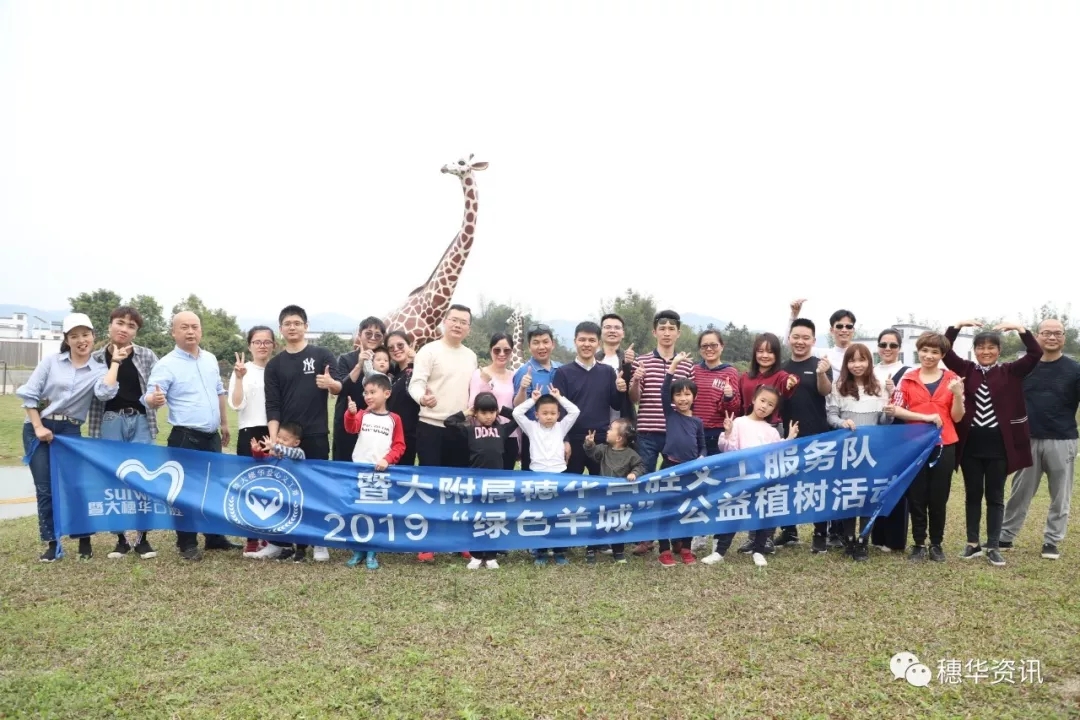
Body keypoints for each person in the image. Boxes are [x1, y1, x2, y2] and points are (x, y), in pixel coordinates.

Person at [942, 321, 1042, 567]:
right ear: (974, 350)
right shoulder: (965, 369)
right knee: (973, 494)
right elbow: (944, 351)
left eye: (991, 347)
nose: (985, 352)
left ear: (999, 350)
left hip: (999, 445)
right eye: (981, 347)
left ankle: (993, 545)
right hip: (971, 444)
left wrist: (1021, 330)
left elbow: (1035, 353)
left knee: (995, 496)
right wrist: (956, 327)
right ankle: (972, 543)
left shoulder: (1011, 371)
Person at [143, 311, 236, 561]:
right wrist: (154, 399)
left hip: (212, 436)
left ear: (201, 330)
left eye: (195, 326)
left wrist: (224, 423)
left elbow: (219, 391)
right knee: (185, 492)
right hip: (185, 437)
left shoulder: (210, 359)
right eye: (184, 327)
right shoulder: (166, 364)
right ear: (174, 332)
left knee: (214, 488)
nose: (190, 331)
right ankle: (187, 543)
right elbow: (149, 396)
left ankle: (215, 537)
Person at [252, 305, 341, 563]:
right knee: (286, 490)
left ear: (306, 326)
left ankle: (319, 542)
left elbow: (338, 387)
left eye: (297, 323)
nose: (292, 327)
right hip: (286, 439)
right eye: (287, 323)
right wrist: (274, 440)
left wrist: (331, 384)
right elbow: (272, 405)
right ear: (281, 328)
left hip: (316, 434)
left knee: (317, 489)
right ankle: (283, 542)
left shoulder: (322, 354)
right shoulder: (275, 365)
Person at [17, 313, 107, 562]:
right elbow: (30, 395)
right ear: (66, 340)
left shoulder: (100, 369)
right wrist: (38, 427)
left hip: (70, 431)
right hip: (39, 427)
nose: (81, 340)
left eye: (85, 334)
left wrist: (116, 364)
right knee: (45, 488)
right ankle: (52, 542)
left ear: (93, 336)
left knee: (76, 486)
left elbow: (106, 393)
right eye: (74, 336)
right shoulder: (51, 362)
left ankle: (84, 540)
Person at [1000, 318, 1080, 561]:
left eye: (1058, 333)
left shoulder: (1075, 369)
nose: (1052, 337)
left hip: (1062, 439)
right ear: (1037, 335)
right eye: (1046, 333)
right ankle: (1005, 536)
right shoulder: (1023, 367)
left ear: (1064, 337)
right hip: (1028, 439)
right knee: (1020, 491)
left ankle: (1052, 540)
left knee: (1060, 495)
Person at [885, 331, 965, 563]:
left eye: (935, 352)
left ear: (942, 355)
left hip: (944, 443)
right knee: (917, 495)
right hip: (915, 444)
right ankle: (919, 543)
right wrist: (926, 417)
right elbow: (895, 409)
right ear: (918, 351)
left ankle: (936, 544)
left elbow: (957, 417)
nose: (929, 356)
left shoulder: (952, 379)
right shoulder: (908, 378)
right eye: (925, 350)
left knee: (939, 496)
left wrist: (957, 396)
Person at [89, 306, 162, 560]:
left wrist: (156, 398)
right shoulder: (96, 358)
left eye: (131, 326)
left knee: (143, 478)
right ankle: (120, 539)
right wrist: (115, 362)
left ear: (136, 332)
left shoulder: (146, 355)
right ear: (110, 325)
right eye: (120, 323)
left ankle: (142, 538)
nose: (124, 329)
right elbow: (103, 394)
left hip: (141, 420)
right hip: (109, 420)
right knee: (113, 479)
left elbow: (156, 388)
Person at [702, 386, 799, 568]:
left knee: (762, 514)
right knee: (734, 514)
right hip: (740, 480)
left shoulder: (771, 431)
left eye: (770, 404)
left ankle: (759, 550)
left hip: (761, 481)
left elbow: (776, 453)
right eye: (762, 401)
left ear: (774, 409)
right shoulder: (739, 422)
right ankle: (720, 551)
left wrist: (789, 439)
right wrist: (728, 432)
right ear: (754, 399)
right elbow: (728, 449)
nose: (764, 406)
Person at [627, 310, 695, 557]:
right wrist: (636, 380)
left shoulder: (687, 364)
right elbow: (634, 398)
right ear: (654, 332)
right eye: (662, 328)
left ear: (678, 333)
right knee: (645, 484)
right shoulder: (642, 361)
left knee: (675, 486)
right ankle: (645, 538)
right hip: (647, 432)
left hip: (676, 435)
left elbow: (691, 400)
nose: (667, 333)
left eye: (671, 329)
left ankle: (676, 536)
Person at [826, 343, 893, 562]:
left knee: (868, 496)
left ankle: (863, 541)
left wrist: (890, 412)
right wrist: (842, 423)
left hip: (871, 452)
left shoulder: (880, 386)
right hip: (846, 451)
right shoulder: (838, 387)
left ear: (869, 362)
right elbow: (831, 416)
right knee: (849, 495)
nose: (857, 365)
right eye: (852, 360)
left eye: (862, 360)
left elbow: (884, 422)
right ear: (846, 364)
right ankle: (849, 539)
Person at [778, 318, 834, 551]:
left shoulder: (821, 365)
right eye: (796, 337)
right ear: (789, 338)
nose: (800, 342)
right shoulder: (781, 368)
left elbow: (825, 391)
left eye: (805, 338)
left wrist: (821, 374)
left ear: (813, 340)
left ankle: (820, 533)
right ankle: (789, 531)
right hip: (788, 435)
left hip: (817, 434)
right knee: (787, 484)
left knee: (817, 485)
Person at [446, 392, 519, 569]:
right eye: (483, 412)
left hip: (496, 483)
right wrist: (467, 412)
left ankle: (492, 555)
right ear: (476, 413)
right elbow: (449, 422)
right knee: (476, 518)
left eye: (492, 412)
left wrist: (502, 410)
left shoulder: (502, 430)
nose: (488, 416)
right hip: (476, 482)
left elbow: (518, 418)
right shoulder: (470, 430)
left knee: (494, 517)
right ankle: (476, 555)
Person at [343, 374, 406, 570]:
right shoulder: (363, 415)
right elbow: (351, 428)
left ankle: (372, 551)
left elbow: (399, 445)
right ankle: (358, 550)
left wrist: (387, 459)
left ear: (386, 393)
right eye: (366, 393)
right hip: (359, 472)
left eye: (372, 392)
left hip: (380, 474)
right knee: (358, 511)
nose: (368, 396)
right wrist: (351, 414)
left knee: (376, 513)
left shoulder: (394, 419)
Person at [513, 386, 581, 565]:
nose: (549, 417)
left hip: (559, 475)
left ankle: (559, 551)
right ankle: (540, 551)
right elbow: (516, 413)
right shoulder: (531, 427)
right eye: (544, 413)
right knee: (539, 514)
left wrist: (559, 397)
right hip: (537, 475)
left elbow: (575, 411)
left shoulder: (561, 427)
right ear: (536, 415)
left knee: (559, 513)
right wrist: (533, 400)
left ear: (558, 414)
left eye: (553, 413)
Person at [409, 305, 478, 471]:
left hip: (461, 428)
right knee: (430, 478)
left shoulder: (471, 356)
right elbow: (416, 383)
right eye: (454, 320)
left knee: (457, 480)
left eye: (463, 322)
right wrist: (422, 398)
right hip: (431, 427)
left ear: (469, 329)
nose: (458, 325)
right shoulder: (429, 351)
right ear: (444, 322)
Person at [552, 321, 625, 475]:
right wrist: (564, 440)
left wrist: (620, 390)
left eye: (591, 340)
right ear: (575, 342)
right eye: (582, 340)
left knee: (602, 486)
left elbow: (616, 405)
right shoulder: (563, 373)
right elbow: (559, 410)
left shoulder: (607, 372)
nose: (586, 344)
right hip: (573, 439)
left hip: (600, 440)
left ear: (598, 343)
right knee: (570, 486)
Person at [228, 325, 276, 557]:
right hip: (250, 432)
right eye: (257, 342)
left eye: (267, 341)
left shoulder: (278, 369)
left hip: (274, 431)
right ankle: (251, 537)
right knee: (250, 486)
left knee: (273, 485)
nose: (262, 346)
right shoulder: (242, 370)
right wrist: (239, 378)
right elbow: (236, 404)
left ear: (274, 345)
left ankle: (269, 535)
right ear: (249, 345)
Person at [655, 353, 706, 567]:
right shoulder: (670, 414)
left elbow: (702, 445)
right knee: (665, 509)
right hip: (669, 466)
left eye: (687, 394)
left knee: (689, 509)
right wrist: (674, 365)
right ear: (673, 399)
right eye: (678, 395)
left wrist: (702, 457)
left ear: (694, 396)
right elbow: (663, 390)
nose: (683, 398)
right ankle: (664, 550)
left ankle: (686, 548)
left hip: (690, 471)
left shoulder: (697, 422)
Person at [582, 419, 646, 564]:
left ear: (619, 438)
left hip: (620, 498)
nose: (607, 431)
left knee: (618, 523)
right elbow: (592, 453)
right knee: (598, 521)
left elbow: (640, 466)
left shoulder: (631, 455)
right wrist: (589, 444)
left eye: (611, 429)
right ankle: (591, 549)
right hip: (601, 496)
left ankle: (618, 551)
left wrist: (634, 473)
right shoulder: (604, 450)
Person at [870, 328, 911, 552]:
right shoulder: (871, 371)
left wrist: (895, 392)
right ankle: (877, 536)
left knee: (897, 484)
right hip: (875, 434)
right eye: (883, 344)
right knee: (877, 484)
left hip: (898, 433)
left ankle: (894, 539)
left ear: (899, 348)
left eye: (893, 345)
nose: (887, 349)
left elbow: (913, 402)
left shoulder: (908, 372)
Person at [332, 317, 387, 461]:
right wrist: (359, 364)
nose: (373, 337)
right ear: (359, 334)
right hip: (347, 421)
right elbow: (341, 390)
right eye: (368, 333)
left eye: (378, 335)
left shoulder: (385, 361)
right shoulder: (345, 359)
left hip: (376, 425)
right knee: (344, 462)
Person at [512, 323, 563, 470]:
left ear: (553, 344)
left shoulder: (561, 369)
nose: (541, 347)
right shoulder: (524, 372)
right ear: (529, 346)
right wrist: (523, 388)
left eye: (545, 342)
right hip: (534, 436)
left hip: (557, 434)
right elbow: (517, 406)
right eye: (536, 343)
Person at [468, 333, 520, 470]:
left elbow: (517, 408)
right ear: (490, 350)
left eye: (506, 350)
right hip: (485, 435)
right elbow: (473, 405)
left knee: (505, 478)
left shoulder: (515, 376)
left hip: (509, 434)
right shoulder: (479, 374)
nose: (502, 354)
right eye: (497, 350)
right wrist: (486, 384)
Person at [689, 329, 741, 456]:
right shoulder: (693, 370)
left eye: (713, 345)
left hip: (718, 432)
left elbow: (735, 409)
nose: (709, 349)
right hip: (694, 431)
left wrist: (729, 397)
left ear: (722, 346)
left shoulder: (730, 372)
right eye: (704, 346)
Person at [738, 333, 798, 429]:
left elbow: (788, 382)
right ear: (755, 353)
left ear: (776, 354)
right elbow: (738, 404)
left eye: (770, 352)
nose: (765, 355)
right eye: (760, 351)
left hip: (771, 427)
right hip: (746, 425)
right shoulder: (745, 377)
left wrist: (791, 381)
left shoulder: (780, 376)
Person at [786, 300, 855, 380]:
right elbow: (790, 343)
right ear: (831, 330)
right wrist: (793, 316)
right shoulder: (821, 355)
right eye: (839, 326)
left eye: (849, 327)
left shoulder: (861, 354)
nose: (844, 330)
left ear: (853, 330)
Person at [385, 330, 420, 466]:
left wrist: (416, 360)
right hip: (390, 432)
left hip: (409, 434)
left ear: (409, 345)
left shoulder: (418, 370)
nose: (396, 349)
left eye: (400, 345)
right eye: (391, 348)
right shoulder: (392, 373)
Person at [596, 313, 637, 425]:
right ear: (601, 332)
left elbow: (635, 393)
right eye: (608, 327)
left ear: (623, 333)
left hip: (624, 421)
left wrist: (628, 364)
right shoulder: (593, 359)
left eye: (617, 328)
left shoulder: (633, 358)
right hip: (598, 420)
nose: (612, 331)